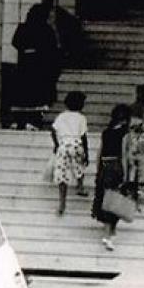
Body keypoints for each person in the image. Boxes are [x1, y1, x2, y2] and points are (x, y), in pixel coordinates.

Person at [94, 104, 132, 251]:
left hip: (105, 167)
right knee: (114, 202)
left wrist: (98, 170)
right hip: (116, 167)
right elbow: (124, 154)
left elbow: (100, 151)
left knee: (106, 200)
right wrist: (126, 175)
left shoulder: (106, 132)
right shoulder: (125, 133)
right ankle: (108, 235)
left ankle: (109, 231)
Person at [48, 91, 90, 219]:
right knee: (79, 166)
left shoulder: (61, 116)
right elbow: (83, 136)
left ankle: (62, 204)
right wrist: (87, 153)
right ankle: (80, 186)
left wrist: (56, 144)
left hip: (64, 145)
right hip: (76, 143)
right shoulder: (81, 117)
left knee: (62, 173)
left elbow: (53, 130)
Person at [11, 3, 60, 112]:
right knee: (37, 91)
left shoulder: (23, 27)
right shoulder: (46, 29)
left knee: (25, 90)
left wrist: (26, 49)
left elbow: (15, 42)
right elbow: (52, 47)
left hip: (25, 63)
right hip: (40, 64)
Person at [123, 95, 144, 209]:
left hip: (132, 143)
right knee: (142, 170)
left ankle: (131, 197)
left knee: (132, 169)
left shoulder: (130, 109)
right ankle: (139, 198)